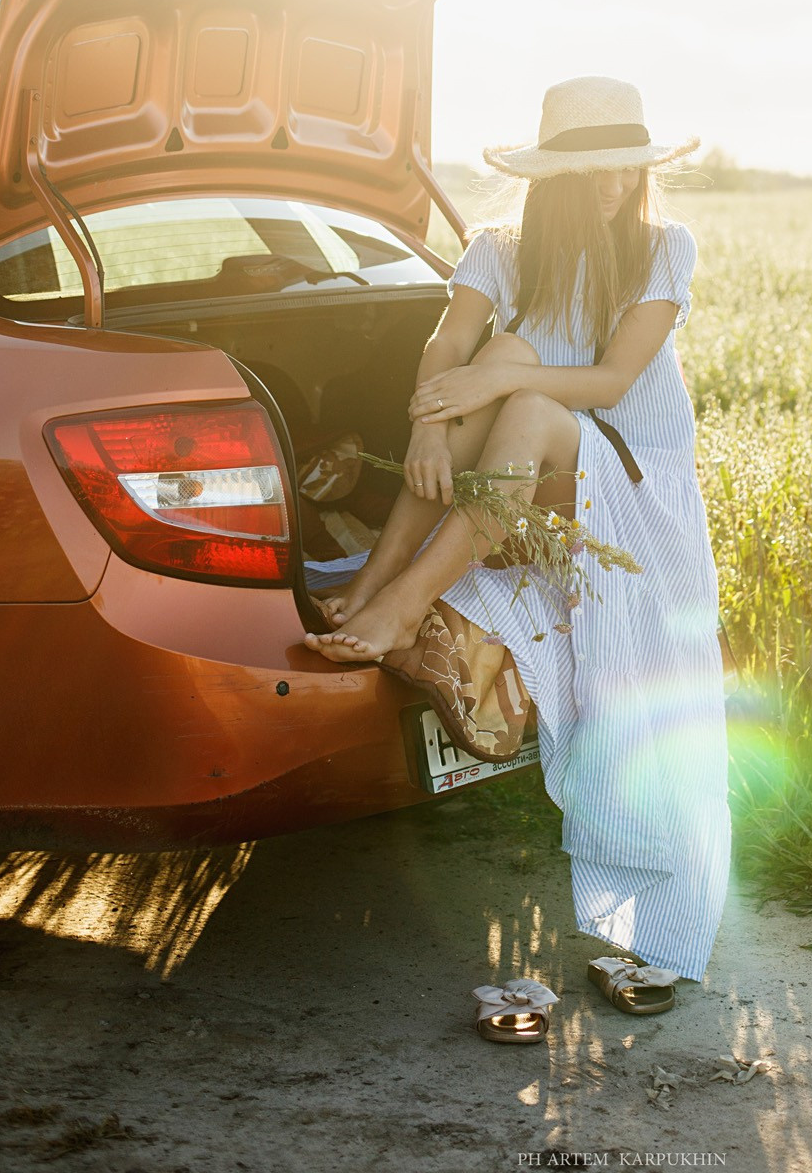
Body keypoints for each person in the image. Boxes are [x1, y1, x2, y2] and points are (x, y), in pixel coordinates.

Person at [305, 75, 730, 988]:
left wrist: (498, 384)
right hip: (525, 452)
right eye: (593, 171)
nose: (614, 185)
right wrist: (427, 425)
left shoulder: (664, 247)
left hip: (632, 472)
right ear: (554, 178)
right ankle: (376, 586)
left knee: (520, 387)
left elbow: (611, 384)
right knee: (501, 351)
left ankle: (398, 599)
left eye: (626, 167)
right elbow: (446, 347)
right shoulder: (501, 247)